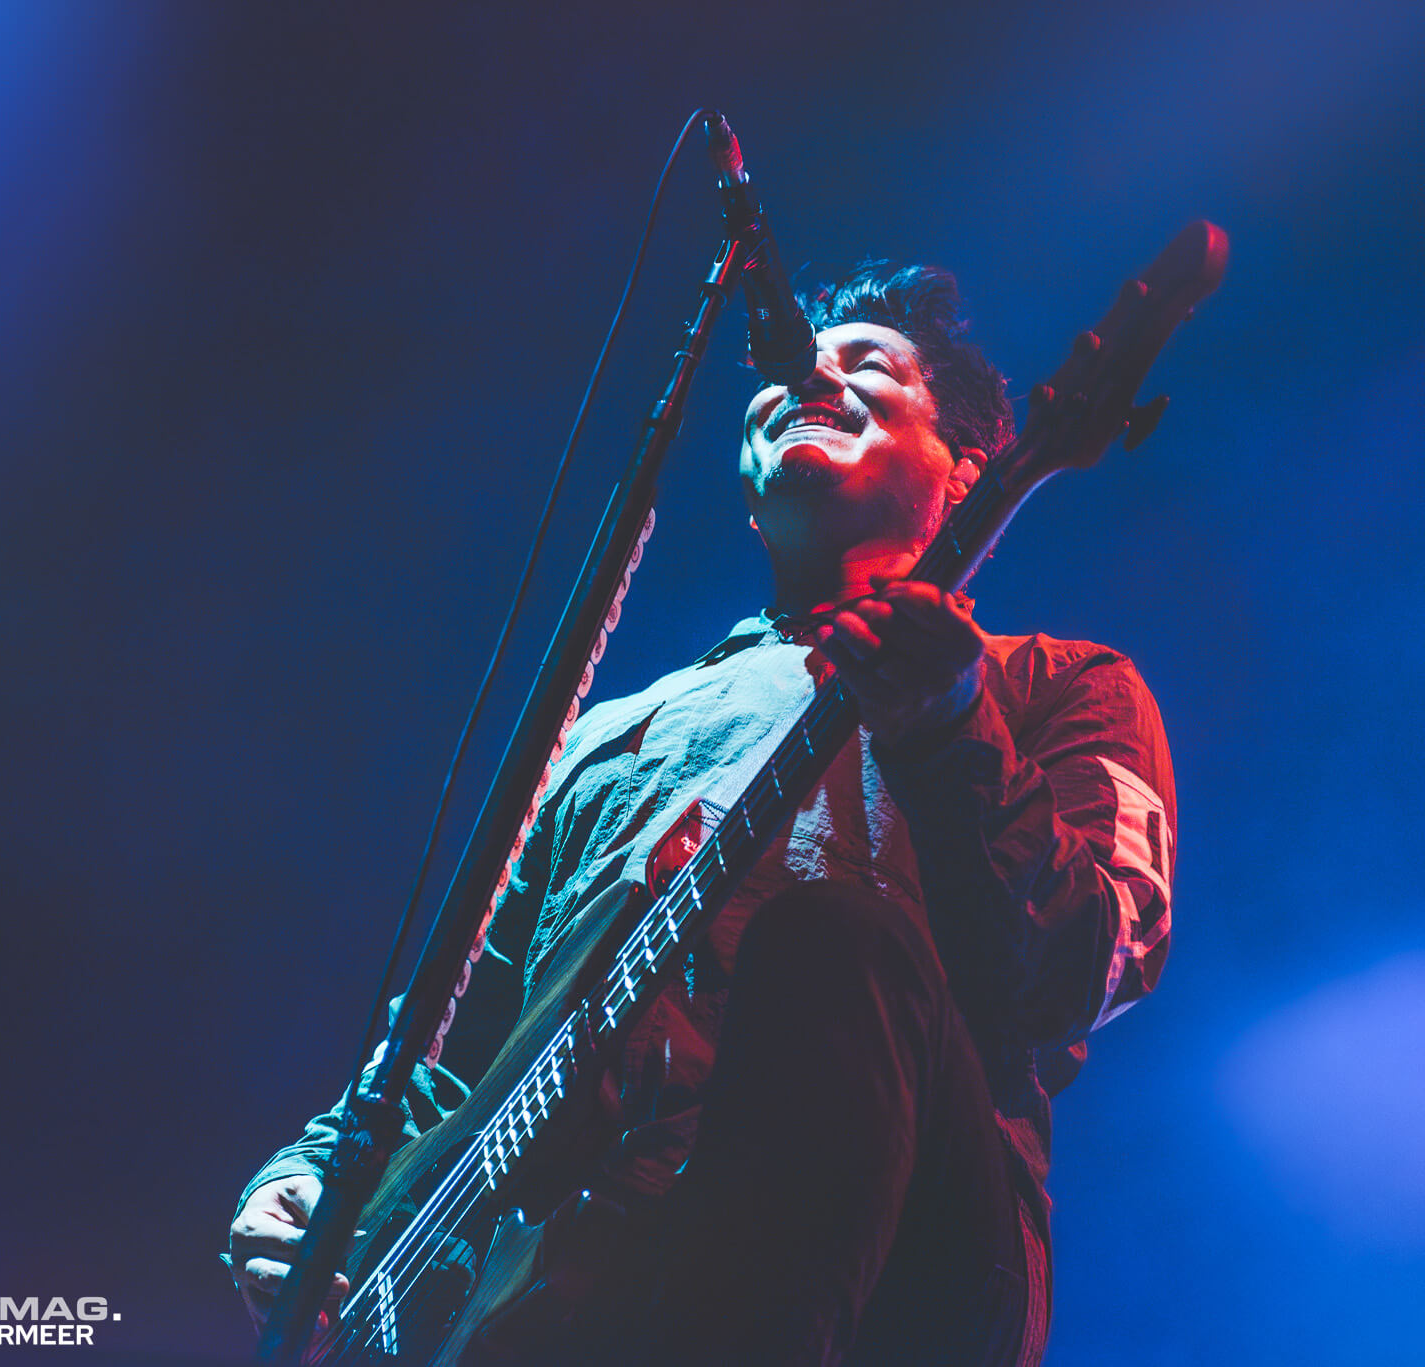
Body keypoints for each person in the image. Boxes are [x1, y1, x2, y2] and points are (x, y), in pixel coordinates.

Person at [229, 263, 1177, 1366]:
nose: (811, 374)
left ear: (968, 470)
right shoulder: (606, 734)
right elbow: (460, 1052)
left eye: (867, 364)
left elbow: (1083, 965)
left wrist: (948, 726)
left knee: (834, 936)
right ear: (747, 482)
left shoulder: (1058, 685)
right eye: (788, 371)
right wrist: (308, 1185)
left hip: (911, 1255)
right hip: (569, 1279)